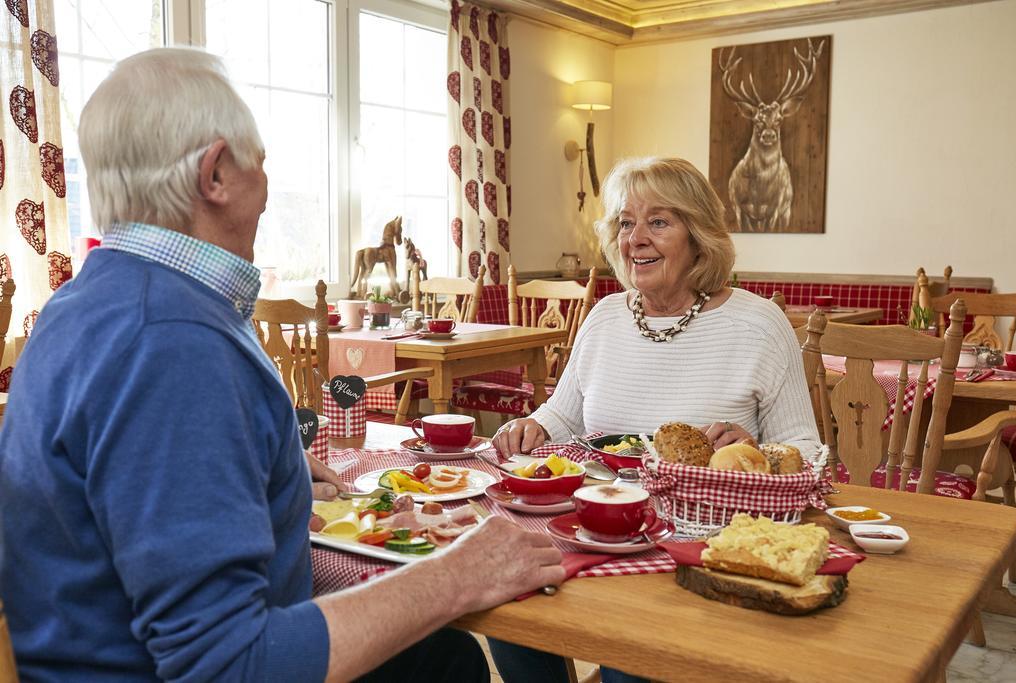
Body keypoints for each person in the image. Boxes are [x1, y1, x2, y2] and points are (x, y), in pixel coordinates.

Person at [0, 48, 564, 682]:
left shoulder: (81, 304)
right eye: (260, 162)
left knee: (441, 658)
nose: (268, 187)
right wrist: (456, 575)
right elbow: (229, 666)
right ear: (215, 175)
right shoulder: (173, 342)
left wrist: (266, 476)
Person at [488, 156, 819, 683]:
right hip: (596, 528)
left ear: (700, 236)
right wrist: (537, 426)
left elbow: (806, 450)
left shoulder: (758, 324)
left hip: (696, 545)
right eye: (625, 223)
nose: (635, 239)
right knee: (508, 611)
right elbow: (565, 414)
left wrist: (755, 447)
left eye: (659, 222)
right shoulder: (604, 317)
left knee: (631, 667)